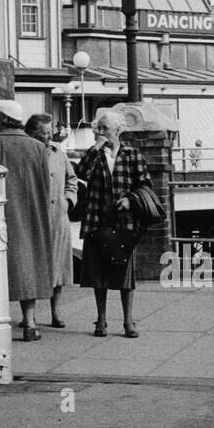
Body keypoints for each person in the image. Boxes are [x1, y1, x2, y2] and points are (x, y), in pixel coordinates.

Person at [73, 107, 150, 338]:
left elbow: (144, 183)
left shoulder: (132, 154)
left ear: (118, 129)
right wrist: (95, 147)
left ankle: (128, 321)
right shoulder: (95, 154)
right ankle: (102, 320)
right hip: (98, 218)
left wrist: (130, 199)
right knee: (98, 273)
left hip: (124, 220)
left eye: (105, 128)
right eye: (99, 128)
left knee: (125, 273)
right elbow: (81, 172)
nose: (101, 132)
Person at [0, 100, 54, 340]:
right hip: (33, 213)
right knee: (30, 265)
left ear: (2, 119)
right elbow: (46, 185)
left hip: (2, 215)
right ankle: (31, 322)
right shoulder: (37, 147)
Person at [26, 112, 78, 329]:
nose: (48, 137)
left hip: (58, 217)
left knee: (58, 266)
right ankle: (29, 315)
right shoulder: (27, 152)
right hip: (34, 218)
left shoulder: (59, 152)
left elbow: (72, 179)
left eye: (50, 132)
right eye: (43, 133)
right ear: (32, 133)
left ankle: (55, 312)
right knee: (32, 267)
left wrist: (68, 199)